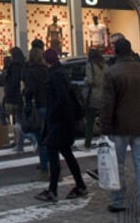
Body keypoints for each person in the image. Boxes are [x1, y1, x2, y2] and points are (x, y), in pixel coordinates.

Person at [100, 39, 140, 218]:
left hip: (119, 126)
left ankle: (118, 201)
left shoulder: (111, 73)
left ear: (116, 52)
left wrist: (104, 128)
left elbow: (107, 104)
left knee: (117, 166)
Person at [34, 48, 87, 203]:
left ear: (47, 60)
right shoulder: (62, 73)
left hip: (59, 121)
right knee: (66, 153)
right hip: (64, 120)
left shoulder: (55, 75)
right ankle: (79, 185)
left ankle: (53, 190)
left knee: (53, 153)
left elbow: (60, 98)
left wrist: (52, 115)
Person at [22, 46, 50, 176]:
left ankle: (44, 164)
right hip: (48, 105)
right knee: (48, 134)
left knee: (40, 136)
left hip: (37, 106)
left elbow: (29, 90)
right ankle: (50, 161)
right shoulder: (46, 70)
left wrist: (25, 94)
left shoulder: (29, 71)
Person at [1, 47, 34, 152]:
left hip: (14, 97)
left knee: (18, 122)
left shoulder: (14, 67)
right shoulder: (25, 65)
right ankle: (21, 144)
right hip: (23, 97)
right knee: (20, 122)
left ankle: (30, 139)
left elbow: (12, 83)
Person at [83, 48, 105, 149]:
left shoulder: (90, 65)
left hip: (93, 96)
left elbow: (90, 81)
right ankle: (105, 140)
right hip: (104, 95)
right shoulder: (104, 65)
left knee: (90, 121)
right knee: (104, 120)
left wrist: (85, 79)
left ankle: (88, 143)